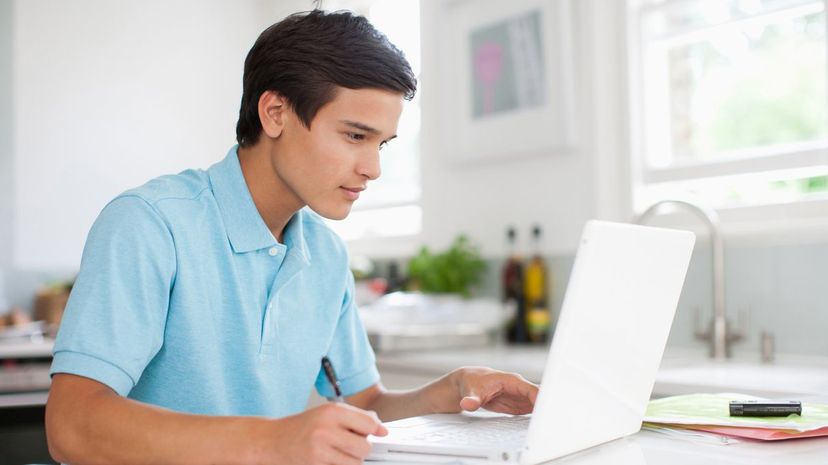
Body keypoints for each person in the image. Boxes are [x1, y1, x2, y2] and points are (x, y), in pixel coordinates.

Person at [45, 9, 539, 465]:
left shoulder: (324, 254)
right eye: (354, 136)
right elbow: (71, 426)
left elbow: (364, 403)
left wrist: (452, 390)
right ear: (276, 113)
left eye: (382, 144)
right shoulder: (149, 224)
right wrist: (273, 440)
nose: (372, 168)